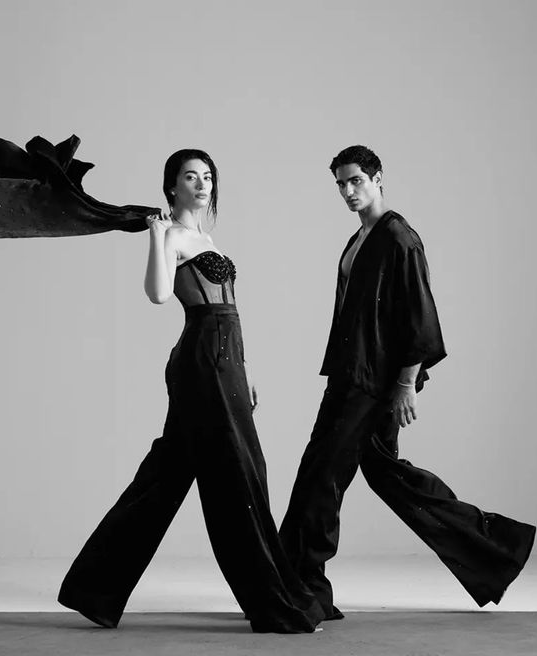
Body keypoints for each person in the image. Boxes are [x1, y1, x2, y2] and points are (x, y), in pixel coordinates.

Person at [57, 149, 324, 633]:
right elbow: (159, 294)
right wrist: (156, 236)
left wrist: (246, 367)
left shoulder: (207, 238)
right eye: (190, 177)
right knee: (238, 473)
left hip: (224, 362)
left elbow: (230, 308)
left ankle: (93, 589)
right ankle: (271, 600)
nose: (202, 184)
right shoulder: (173, 235)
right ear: (172, 187)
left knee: (165, 476)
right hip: (202, 364)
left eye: (207, 177)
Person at [278, 145, 536, 620]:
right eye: (340, 184)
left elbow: (419, 315)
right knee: (385, 475)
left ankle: (302, 588)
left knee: (321, 477)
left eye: (356, 180)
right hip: (350, 373)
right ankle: (497, 549)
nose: (348, 191)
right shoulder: (360, 237)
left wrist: (404, 385)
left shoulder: (398, 237)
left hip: (371, 381)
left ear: (378, 178)